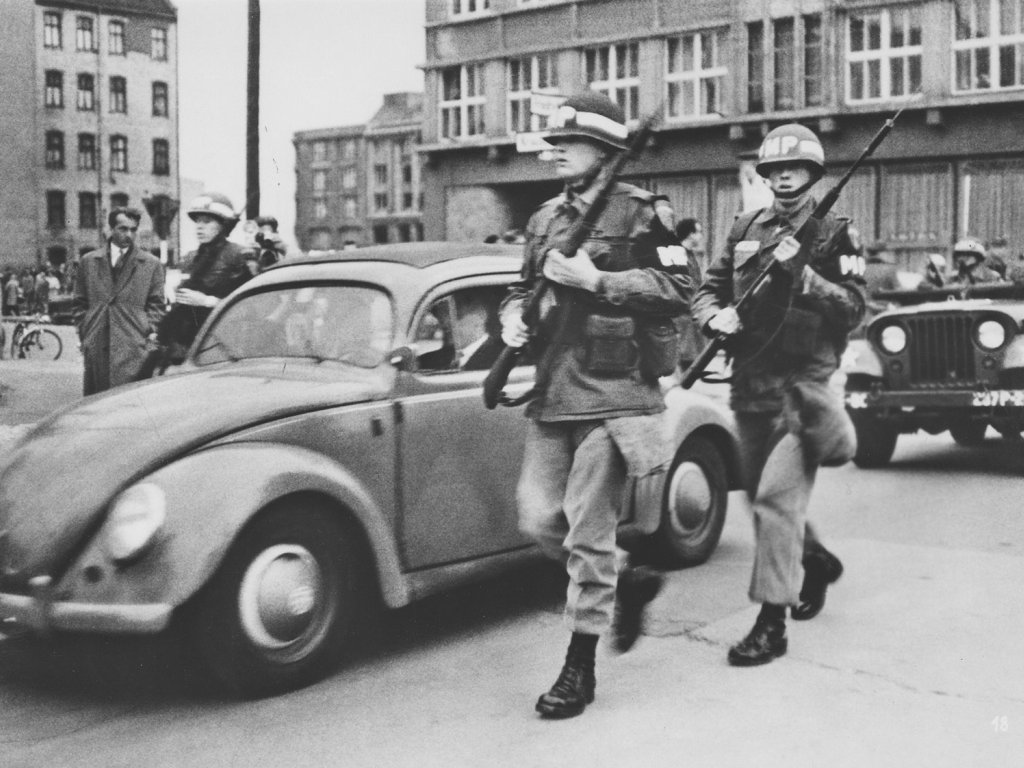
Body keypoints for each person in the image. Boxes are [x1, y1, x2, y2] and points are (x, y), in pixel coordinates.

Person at [499, 91, 694, 719]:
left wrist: (600, 282)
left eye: (569, 139)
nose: (554, 148)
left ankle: (578, 669)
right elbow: (520, 288)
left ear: (606, 149)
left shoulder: (642, 213)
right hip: (556, 389)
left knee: (587, 525)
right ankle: (629, 578)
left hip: (618, 393)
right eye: (552, 139)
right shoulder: (545, 219)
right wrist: (511, 321)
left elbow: (680, 287)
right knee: (535, 517)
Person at [692, 123, 866, 667]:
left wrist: (806, 276)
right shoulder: (746, 225)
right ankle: (810, 559)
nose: (783, 176)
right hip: (750, 385)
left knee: (775, 499)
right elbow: (709, 288)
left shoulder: (836, 231)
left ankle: (772, 624)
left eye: (794, 168)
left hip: (802, 391)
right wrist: (710, 315)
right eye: (773, 169)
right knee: (758, 495)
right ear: (765, 175)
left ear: (813, 174)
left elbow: (856, 308)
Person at [147, 192, 251, 370]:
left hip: (222, 344)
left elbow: (250, 306)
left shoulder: (238, 256)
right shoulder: (190, 259)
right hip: (187, 345)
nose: (199, 227)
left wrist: (207, 301)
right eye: (198, 222)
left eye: (207, 221)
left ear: (222, 225)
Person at [72, 207, 166, 395]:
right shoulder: (89, 262)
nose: (129, 234)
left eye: (133, 229)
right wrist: (87, 333)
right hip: (97, 346)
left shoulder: (151, 264)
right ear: (110, 229)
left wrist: (145, 334)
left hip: (133, 349)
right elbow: (79, 304)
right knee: (97, 406)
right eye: (123, 229)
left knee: (129, 406)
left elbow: (157, 306)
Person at [862, 241, 900, 316]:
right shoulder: (889, 269)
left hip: (866, 311)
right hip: (885, 311)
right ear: (881, 253)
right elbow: (897, 291)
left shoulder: (861, 269)